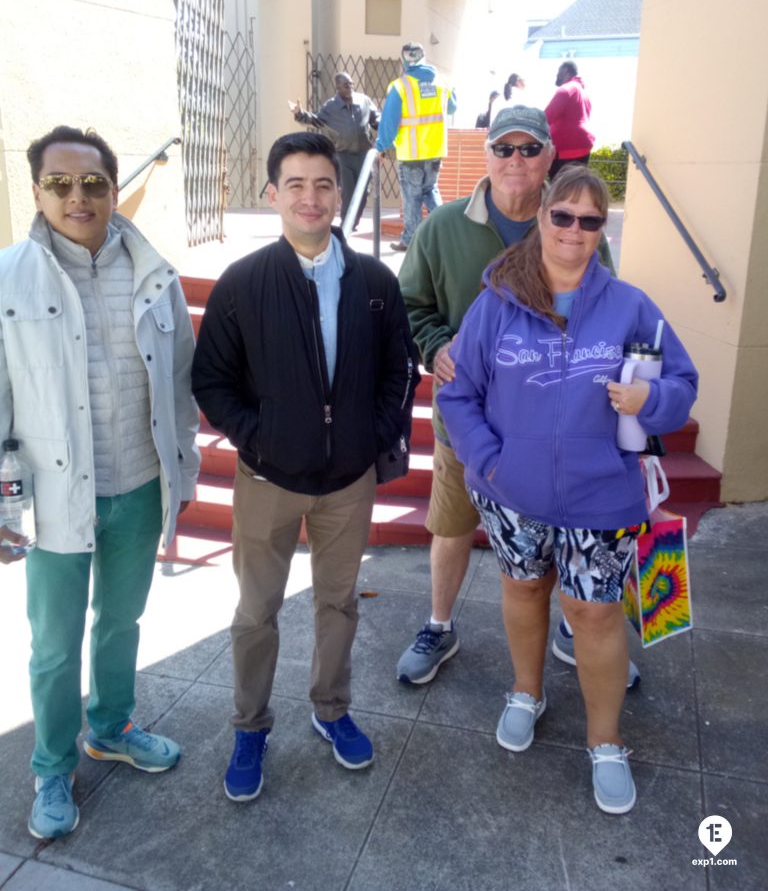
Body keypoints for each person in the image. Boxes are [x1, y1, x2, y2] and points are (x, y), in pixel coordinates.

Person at [438, 167, 698, 814]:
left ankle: (605, 741)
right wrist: (489, 460)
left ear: (600, 229)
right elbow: (458, 391)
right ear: (542, 217)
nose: (575, 232)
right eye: (563, 216)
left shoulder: (631, 307)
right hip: (511, 494)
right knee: (523, 592)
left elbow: (683, 386)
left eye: (590, 221)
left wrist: (652, 398)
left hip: (601, 498)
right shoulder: (497, 301)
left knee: (595, 614)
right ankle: (527, 691)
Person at [191, 131, 419, 801]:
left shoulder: (375, 282)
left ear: (338, 193)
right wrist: (260, 439)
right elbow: (213, 381)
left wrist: (368, 438)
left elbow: (397, 372)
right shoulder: (244, 284)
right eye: (295, 184)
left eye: (323, 184)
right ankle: (250, 725)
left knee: (338, 604)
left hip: (347, 482)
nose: (310, 197)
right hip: (268, 479)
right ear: (273, 195)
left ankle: (331, 709)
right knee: (255, 612)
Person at [0, 125, 200, 839]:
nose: (77, 197)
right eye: (60, 183)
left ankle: (110, 727)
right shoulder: (8, 277)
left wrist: (183, 471)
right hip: (56, 498)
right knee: (52, 645)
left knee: (121, 620)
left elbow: (178, 385)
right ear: (36, 191)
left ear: (115, 189)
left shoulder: (154, 273)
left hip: (139, 487)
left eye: (92, 184)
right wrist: (5, 502)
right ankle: (53, 766)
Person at [395, 106, 624, 688]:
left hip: (560, 430)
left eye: (529, 148)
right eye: (504, 148)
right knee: (450, 526)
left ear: (550, 155)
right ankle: (439, 624)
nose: (516, 160)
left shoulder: (575, 221)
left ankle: (577, 628)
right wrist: (437, 344)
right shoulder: (442, 227)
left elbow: (610, 312)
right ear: (487, 155)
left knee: (563, 531)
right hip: (466, 425)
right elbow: (409, 304)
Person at [375, 41, 457, 252]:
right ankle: (447, 231)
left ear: (403, 60)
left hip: (411, 152)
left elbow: (389, 123)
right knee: (430, 190)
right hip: (435, 149)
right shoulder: (442, 82)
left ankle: (410, 240)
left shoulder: (400, 86)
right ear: (424, 57)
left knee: (412, 197)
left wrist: (381, 146)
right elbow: (452, 107)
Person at [289, 72, 379, 230]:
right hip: (343, 155)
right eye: (345, 85)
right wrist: (299, 114)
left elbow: (375, 118)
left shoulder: (363, 100)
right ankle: (346, 224)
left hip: (364, 154)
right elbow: (315, 120)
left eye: (351, 83)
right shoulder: (331, 106)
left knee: (365, 192)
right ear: (338, 87)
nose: (350, 87)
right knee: (348, 191)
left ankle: (353, 221)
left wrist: (385, 125)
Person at [544, 60, 595, 179]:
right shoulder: (583, 93)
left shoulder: (566, 89)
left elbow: (545, 117)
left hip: (567, 149)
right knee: (574, 188)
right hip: (582, 146)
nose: (556, 75)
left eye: (558, 72)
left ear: (566, 71)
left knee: (560, 190)